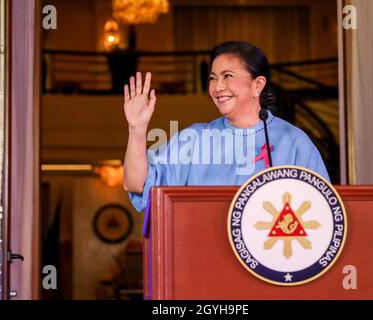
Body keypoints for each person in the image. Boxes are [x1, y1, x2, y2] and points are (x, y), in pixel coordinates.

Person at [123, 41, 329, 212]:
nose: (217, 87)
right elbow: (137, 184)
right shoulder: (194, 140)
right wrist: (137, 129)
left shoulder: (293, 141)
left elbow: (321, 208)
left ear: (257, 85)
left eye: (227, 76)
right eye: (213, 78)